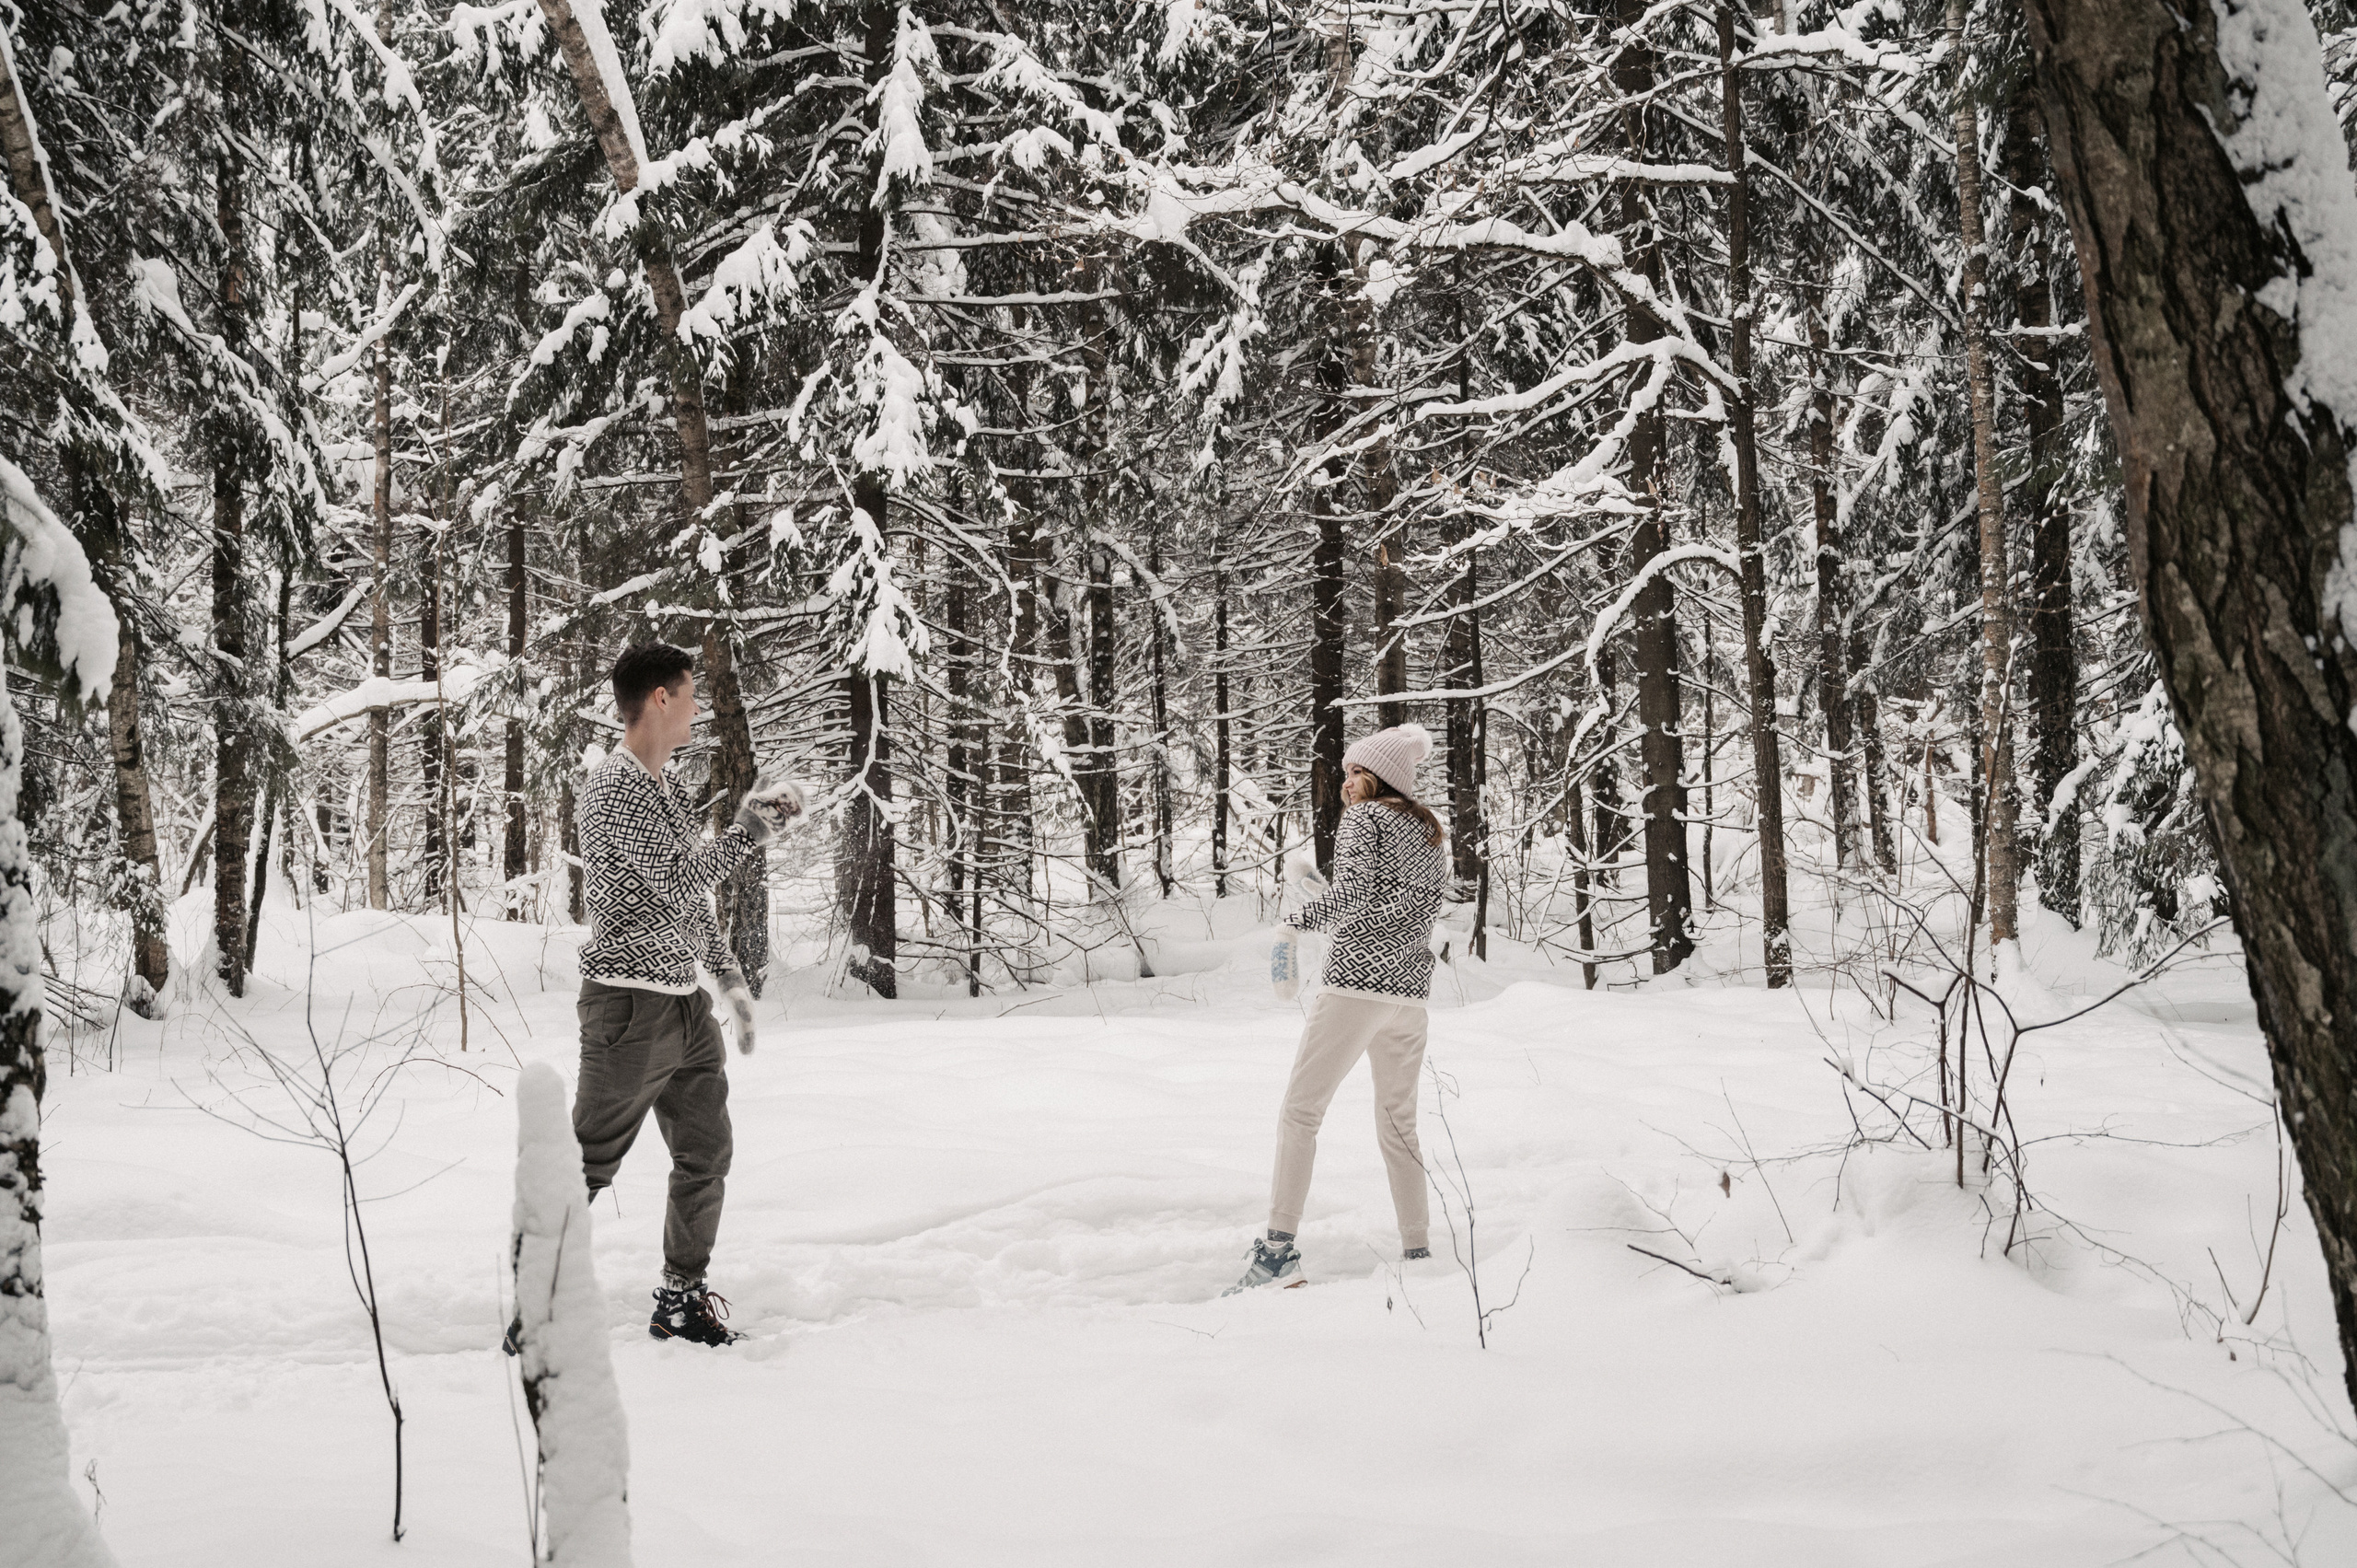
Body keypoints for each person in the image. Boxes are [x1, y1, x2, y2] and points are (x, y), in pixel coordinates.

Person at [572, 642, 804, 1346]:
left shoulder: (667, 789)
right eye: (691, 693)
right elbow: (678, 880)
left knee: (706, 1148)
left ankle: (680, 1299)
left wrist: (727, 978)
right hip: (627, 1006)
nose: (698, 706)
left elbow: (686, 901)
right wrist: (750, 830)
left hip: (682, 1004)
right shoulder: (614, 786)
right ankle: (535, 1308)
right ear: (661, 699)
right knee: (583, 1167)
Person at [1228, 724, 1448, 1295]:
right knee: (1399, 1125)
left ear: (1382, 777)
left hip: (1356, 987)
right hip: (1409, 995)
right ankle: (1418, 1250)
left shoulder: (1364, 818)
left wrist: (1293, 921)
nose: (1347, 782)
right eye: (1347, 771)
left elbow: (1353, 898)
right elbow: (1392, 901)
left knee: (1300, 1113)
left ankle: (1277, 1257)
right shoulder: (1429, 830)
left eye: (1357, 772)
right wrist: (1321, 890)